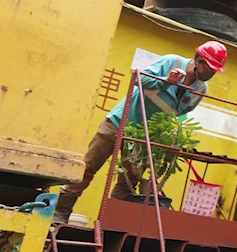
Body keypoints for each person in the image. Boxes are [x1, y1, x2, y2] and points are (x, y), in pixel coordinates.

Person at [56, 41, 227, 217]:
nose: (211, 73)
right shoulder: (171, 62)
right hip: (118, 122)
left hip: (143, 136)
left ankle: (109, 223)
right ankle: (59, 214)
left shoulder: (201, 88)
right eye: (210, 68)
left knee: (127, 184)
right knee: (87, 169)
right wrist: (166, 82)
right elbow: (138, 79)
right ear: (199, 59)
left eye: (215, 70)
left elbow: (179, 112)